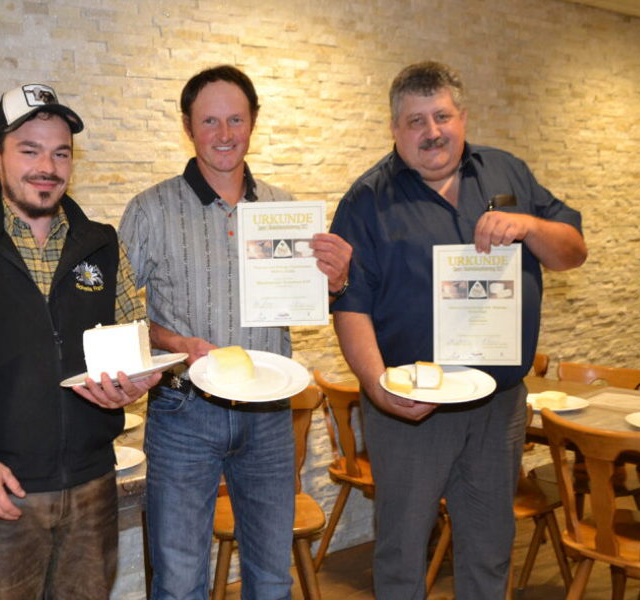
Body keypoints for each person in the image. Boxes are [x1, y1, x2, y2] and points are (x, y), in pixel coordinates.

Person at [329, 61, 587, 599]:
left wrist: (530, 226)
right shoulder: (366, 200)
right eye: (415, 121)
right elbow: (349, 306)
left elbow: (572, 251)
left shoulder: (507, 172)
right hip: (411, 407)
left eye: (441, 115)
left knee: (491, 544)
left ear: (462, 117)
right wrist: (379, 388)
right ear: (395, 130)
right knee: (402, 550)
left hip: (498, 405)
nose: (432, 132)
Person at [0, 83, 159, 599]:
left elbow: (135, 341)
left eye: (60, 152)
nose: (47, 165)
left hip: (93, 488)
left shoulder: (102, 242)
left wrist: (135, 383)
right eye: (29, 150)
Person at [119, 65, 352, 599]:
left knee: (271, 576)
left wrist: (335, 282)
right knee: (180, 582)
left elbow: (308, 299)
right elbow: (122, 315)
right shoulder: (149, 211)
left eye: (235, 119)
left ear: (253, 123)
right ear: (187, 126)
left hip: (270, 415)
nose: (224, 134)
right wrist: (177, 344)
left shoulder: (285, 210)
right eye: (209, 121)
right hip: (183, 412)